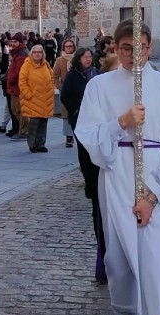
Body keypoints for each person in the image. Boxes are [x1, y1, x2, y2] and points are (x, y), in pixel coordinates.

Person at [74, 20, 160, 314]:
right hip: (117, 179)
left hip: (159, 180)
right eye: (126, 47)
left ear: (150, 47)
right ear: (115, 47)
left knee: (156, 259)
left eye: (139, 47)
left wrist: (152, 198)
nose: (133, 54)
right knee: (122, 260)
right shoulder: (98, 87)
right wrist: (122, 123)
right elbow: (87, 134)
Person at [60, 47, 105, 283]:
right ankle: (89, 181)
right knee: (85, 154)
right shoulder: (74, 76)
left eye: (90, 56)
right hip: (80, 119)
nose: (88, 58)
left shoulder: (97, 75)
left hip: (99, 124)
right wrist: (77, 108)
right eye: (85, 56)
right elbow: (66, 95)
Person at [19, 44, 55, 153]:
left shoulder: (46, 65)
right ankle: (32, 144)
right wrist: (28, 94)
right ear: (31, 54)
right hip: (33, 100)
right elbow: (22, 82)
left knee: (43, 123)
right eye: (35, 52)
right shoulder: (26, 65)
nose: (37, 54)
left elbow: (52, 78)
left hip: (45, 99)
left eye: (39, 52)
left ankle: (41, 144)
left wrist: (51, 90)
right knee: (34, 124)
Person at [53, 39, 78, 147]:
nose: (68, 48)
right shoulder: (60, 60)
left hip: (78, 90)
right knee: (67, 114)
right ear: (63, 48)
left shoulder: (79, 58)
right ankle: (69, 137)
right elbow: (55, 76)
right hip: (66, 91)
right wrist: (60, 87)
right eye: (66, 46)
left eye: (70, 46)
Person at [5, 33, 29, 139]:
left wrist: (10, 79)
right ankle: (22, 130)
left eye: (15, 42)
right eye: (11, 42)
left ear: (20, 42)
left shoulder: (22, 54)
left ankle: (24, 131)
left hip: (18, 87)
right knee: (15, 110)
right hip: (14, 87)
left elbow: (19, 71)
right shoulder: (16, 53)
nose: (12, 44)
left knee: (20, 110)